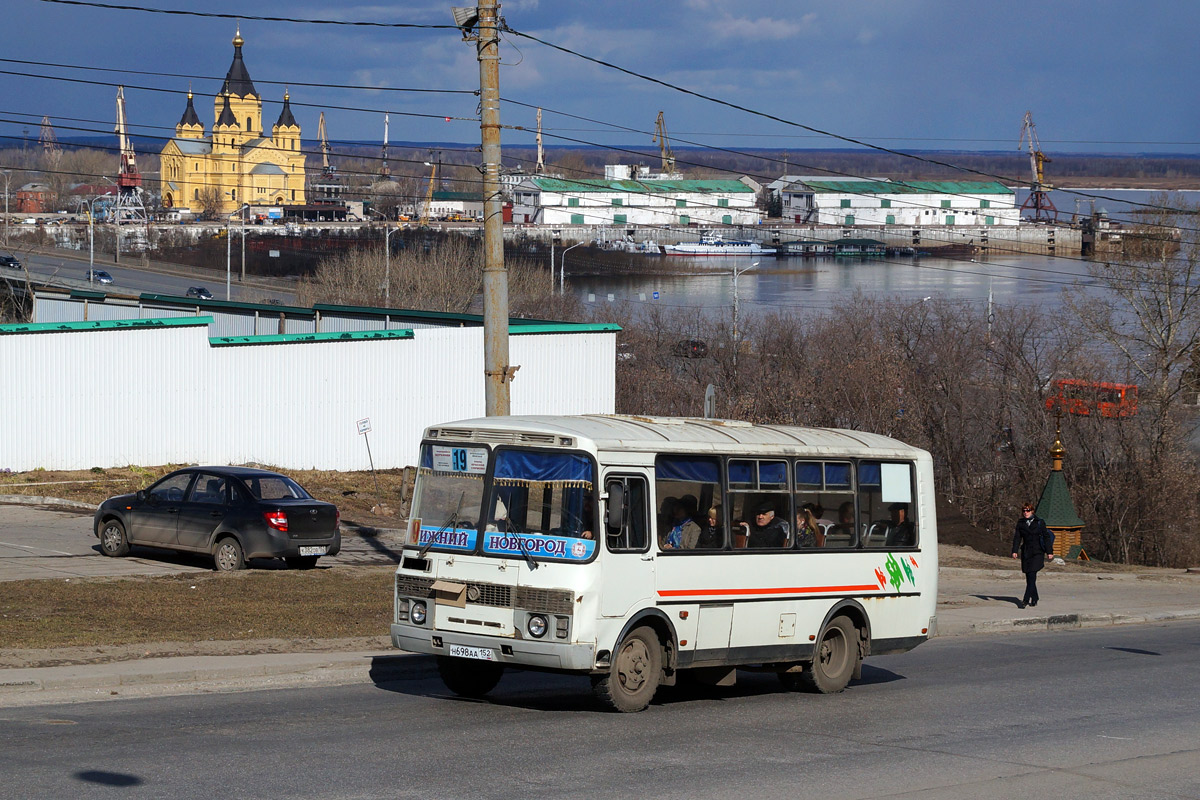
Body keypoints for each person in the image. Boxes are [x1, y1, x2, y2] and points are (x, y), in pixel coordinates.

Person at [1011, 503, 1051, 608]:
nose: (1025, 513)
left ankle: (1025, 600)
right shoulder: (1021, 523)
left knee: (1032, 574)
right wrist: (1015, 550)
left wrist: (1049, 551)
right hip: (1026, 552)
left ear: (1032, 511)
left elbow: (1046, 537)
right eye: (1024, 511)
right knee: (1029, 576)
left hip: (1037, 552)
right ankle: (1035, 597)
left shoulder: (1039, 522)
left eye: (1028, 510)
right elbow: (1017, 538)